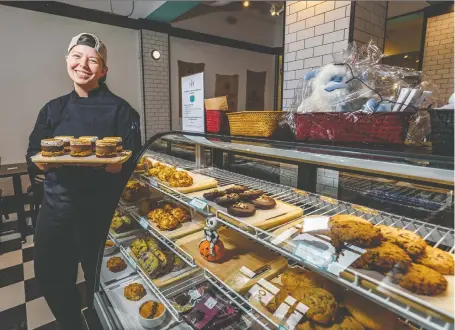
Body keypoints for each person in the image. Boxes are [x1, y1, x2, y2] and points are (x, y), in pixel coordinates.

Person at [26, 33, 142, 330]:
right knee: (52, 277)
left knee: (101, 279)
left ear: (104, 70)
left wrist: (119, 167)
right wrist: (40, 161)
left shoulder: (122, 110)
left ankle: (101, 320)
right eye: (77, 57)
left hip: (100, 213)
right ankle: (71, 323)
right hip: (56, 210)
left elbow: (132, 160)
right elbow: (33, 154)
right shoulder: (52, 109)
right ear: (67, 61)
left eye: (93, 60)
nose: (83, 64)